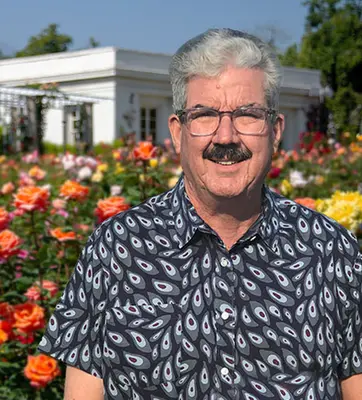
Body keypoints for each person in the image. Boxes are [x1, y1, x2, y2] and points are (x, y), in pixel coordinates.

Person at [37, 28, 362, 400]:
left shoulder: (331, 251)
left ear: (275, 131)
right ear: (178, 132)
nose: (225, 137)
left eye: (248, 115)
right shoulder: (116, 249)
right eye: (205, 115)